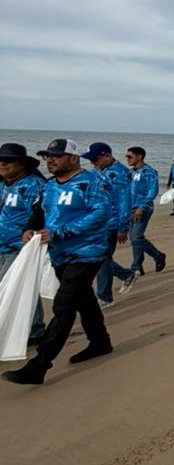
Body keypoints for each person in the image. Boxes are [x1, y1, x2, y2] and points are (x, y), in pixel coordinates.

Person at [2, 139, 112, 386]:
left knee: (64, 306)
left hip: (87, 253)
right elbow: (39, 212)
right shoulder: (49, 186)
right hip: (59, 254)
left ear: (73, 158)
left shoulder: (93, 182)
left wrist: (61, 232)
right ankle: (100, 342)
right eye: (47, 156)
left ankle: (38, 366)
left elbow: (101, 213)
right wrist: (28, 229)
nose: (50, 160)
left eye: (56, 156)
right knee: (84, 300)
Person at [0, 141, 47, 346]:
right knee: (24, 287)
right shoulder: (3, 184)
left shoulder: (33, 186)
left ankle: (22, 331)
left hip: (19, 247)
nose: (2, 164)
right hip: (2, 245)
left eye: (8, 160)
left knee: (9, 288)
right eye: (0, 160)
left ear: (23, 164)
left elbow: (42, 214)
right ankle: (36, 329)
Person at [82, 142, 132, 309]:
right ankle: (126, 274)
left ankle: (105, 297)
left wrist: (123, 228)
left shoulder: (119, 174)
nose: (92, 163)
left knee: (101, 258)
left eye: (95, 159)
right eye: (90, 160)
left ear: (107, 155)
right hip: (96, 221)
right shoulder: (98, 171)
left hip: (111, 223)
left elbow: (124, 202)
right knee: (101, 257)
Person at [118, 145, 165, 292]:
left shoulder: (148, 172)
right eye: (126, 156)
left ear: (139, 157)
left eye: (130, 156)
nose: (127, 159)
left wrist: (142, 207)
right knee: (133, 239)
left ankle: (158, 256)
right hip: (130, 209)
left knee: (136, 237)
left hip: (142, 209)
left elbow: (153, 191)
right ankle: (137, 266)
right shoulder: (131, 172)